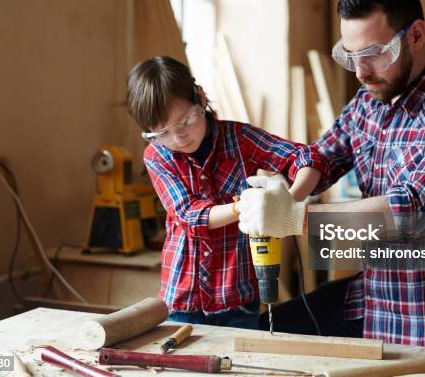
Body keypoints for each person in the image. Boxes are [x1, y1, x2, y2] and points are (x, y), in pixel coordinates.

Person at [237, 0, 425, 350]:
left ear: (416, 35)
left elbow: (411, 212)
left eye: (374, 54)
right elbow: (322, 156)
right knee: (262, 335)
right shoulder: (370, 102)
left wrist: (291, 218)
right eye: (351, 57)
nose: (361, 72)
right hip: (373, 300)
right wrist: (284, 190)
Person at [126, 56, 328, 329]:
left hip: (238, 294)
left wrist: (286, 201)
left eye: (185, 122)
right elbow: (189, 215)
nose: (178, 138)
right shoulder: (157, 155)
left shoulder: (240, 139)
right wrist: (244, 207)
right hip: (183, 296)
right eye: (163, 132)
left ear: (199, 97)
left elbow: (307, 157)